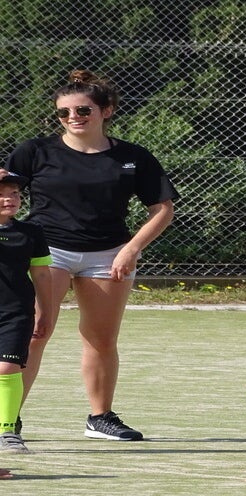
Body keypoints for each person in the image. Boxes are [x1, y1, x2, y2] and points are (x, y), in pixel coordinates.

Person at [4, 69, 178, 441]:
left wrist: (131, 249)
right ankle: (8, 421)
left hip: (109, 254)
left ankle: (100, 419)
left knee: (101, 339)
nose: (73, 118)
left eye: (83, 110)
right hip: (48, 252)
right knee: (34, 334)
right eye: (64, 112)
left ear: (106, 111)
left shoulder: (132, 157)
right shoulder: (35, 151)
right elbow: (4, 191)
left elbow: (162, 209)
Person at [0, 173, 55, 455]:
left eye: (14, 194)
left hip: (16, 312)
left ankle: (7, 431)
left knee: (7, 368)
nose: (8, 199)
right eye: (1, 194)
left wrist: (45, 312)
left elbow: (42, 274)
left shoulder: (31, 232)